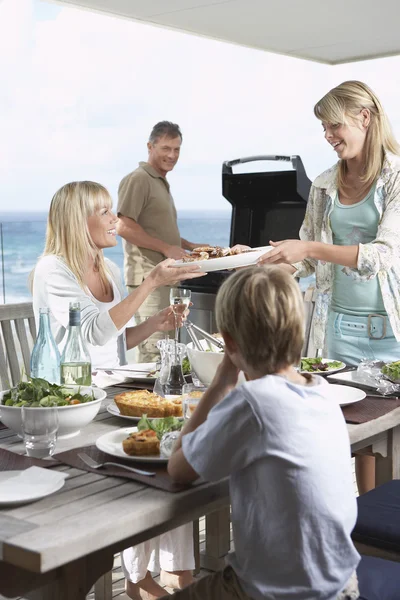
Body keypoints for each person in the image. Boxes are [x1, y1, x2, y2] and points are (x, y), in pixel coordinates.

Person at [31, 181, 203, 600]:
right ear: (78, 221)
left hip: (111, 392)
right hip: (70, 403)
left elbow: (116, 341)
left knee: (166, 452)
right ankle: (140, 578)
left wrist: (156, 322)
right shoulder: (54, 269)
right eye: (105, 213)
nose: (117, 220)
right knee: (150, 458)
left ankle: (170, 571)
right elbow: (90, 334)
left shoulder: (105, 269)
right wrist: (150, 282)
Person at [166, 266, 360, 600]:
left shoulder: (253, 402)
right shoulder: (322, 390)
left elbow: (178, 469)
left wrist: (223, 380)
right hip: (341, 586)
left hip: (276, 594)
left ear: (228, 343)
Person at [258, 80, 400, 494]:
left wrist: (309, 247)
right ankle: (356, 532)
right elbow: (303, 257)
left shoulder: (396, 178)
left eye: (334, 125)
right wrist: (256, 258)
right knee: (351, 444)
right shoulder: (323, 185)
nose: (328, 136)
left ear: (365, 117)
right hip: (337, 334)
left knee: (394, 447)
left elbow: (382, 255)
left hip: (392, 336)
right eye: (323, 128)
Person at [117, 121, 208, 362]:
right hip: (148, 280)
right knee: (155, 352)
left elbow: (156, 230)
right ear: (150, 146)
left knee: (169, 352)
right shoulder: (139, 179)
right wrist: (167, 248)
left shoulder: (159, 181)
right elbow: (123, 225)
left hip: (167, 279)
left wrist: (189, 246)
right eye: (166, 148)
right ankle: (142, 401)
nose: (172, 155)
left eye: (177, 149)